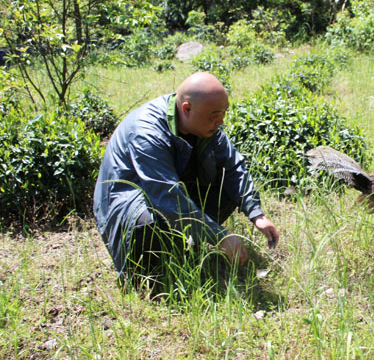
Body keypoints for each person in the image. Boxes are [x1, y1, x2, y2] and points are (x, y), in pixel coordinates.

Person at [93, 72, 279, 283]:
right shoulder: (147, 131)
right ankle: (145, 275)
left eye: (223, 114)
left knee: (226, 185)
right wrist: (220, 236)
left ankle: (185, 243)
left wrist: (256, 214)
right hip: (127, 202)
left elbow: (234, 167)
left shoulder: (206, 124)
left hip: (167, 193)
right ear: (187, 109)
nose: (221, 121)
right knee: (147, 224)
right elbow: (166, 195)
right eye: (214, 115)